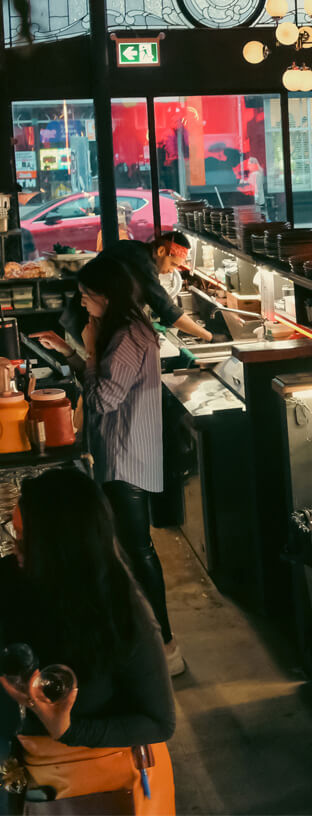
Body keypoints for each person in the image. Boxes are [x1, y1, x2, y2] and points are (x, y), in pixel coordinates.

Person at [0, 469, 176, 814]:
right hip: (19, 764)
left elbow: (159, 722)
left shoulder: (123, 615)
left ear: (58, 548)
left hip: (98, 785)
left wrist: (67, 727)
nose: (12, 545)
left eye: (22, 538)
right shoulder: (12, 577)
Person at [75, 256, 183, 676]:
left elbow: (103, 400)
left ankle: (167, 647)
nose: (83, 304)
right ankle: (156, 641)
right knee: (134, 550)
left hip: (124, 458)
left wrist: (86, 352)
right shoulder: (132, 329)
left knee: (137, 551)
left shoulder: (124, 339)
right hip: (128, 452)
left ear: (105, 295)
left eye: (86, 296)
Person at [106, 231, 217, 342]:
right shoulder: (145, 265)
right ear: (161, 251)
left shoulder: (135, 248)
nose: (171, 270)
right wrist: (210, 337)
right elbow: (168, 310)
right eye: (173, 264)